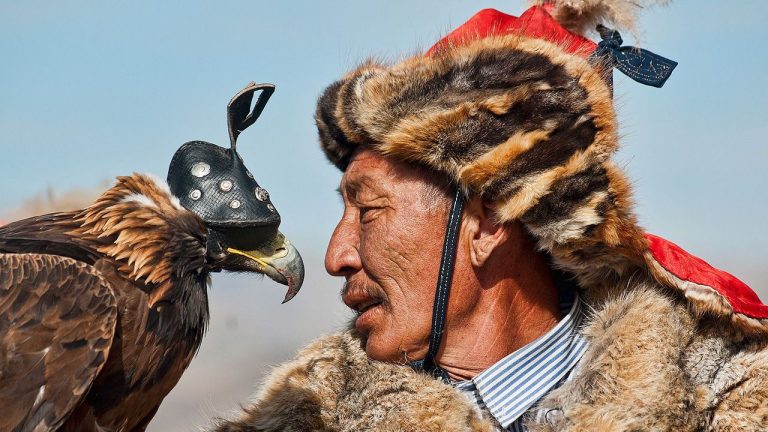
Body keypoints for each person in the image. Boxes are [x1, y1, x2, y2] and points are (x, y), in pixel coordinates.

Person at [211, 2, 768, 431]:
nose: (336, 255)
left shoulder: (726, 400)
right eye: (343, 210)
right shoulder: (313, 418)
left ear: (490, 221)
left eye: (369, 209)